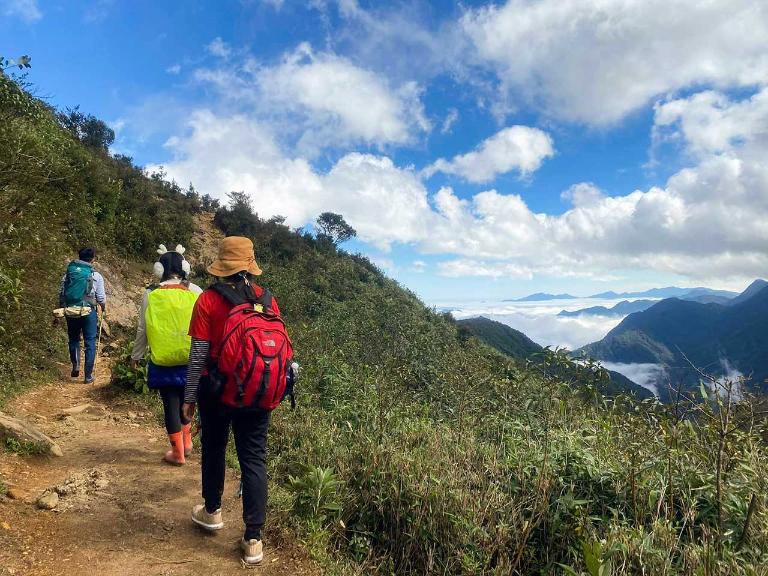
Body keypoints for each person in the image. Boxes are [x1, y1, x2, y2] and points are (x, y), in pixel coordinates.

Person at [182, 236, 289, 567]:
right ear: (250, 266)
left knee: (215, 448)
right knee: (254, 459)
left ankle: (212, 511)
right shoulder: (268, 301)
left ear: (222, 265)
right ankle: (253, 539)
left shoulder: (209, 300)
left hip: (216, 391)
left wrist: (189, 397)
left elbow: (199, 353)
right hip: (259, 392)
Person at [131, 244, 202, 466]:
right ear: (184, 268)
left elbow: (143, 328)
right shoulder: (196, 291)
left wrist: (137, 355)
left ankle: (178, 453)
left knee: (170, 401)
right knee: (188, 397)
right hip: (191, 356)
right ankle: (188, 443)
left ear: (159, 270)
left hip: (162, 357)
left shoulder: (151, 292)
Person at [59, 247, 106, 384]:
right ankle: (88, 376)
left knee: (73, 338)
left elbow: (62, 293)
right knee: (90, 341)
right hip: (88, 311)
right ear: (93, 259)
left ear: (78, 257)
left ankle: (76, 365)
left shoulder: (68, 274)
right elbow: (101, 298)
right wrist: (102, 308)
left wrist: (62, 308)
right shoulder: (96, 276)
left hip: (70, 310)